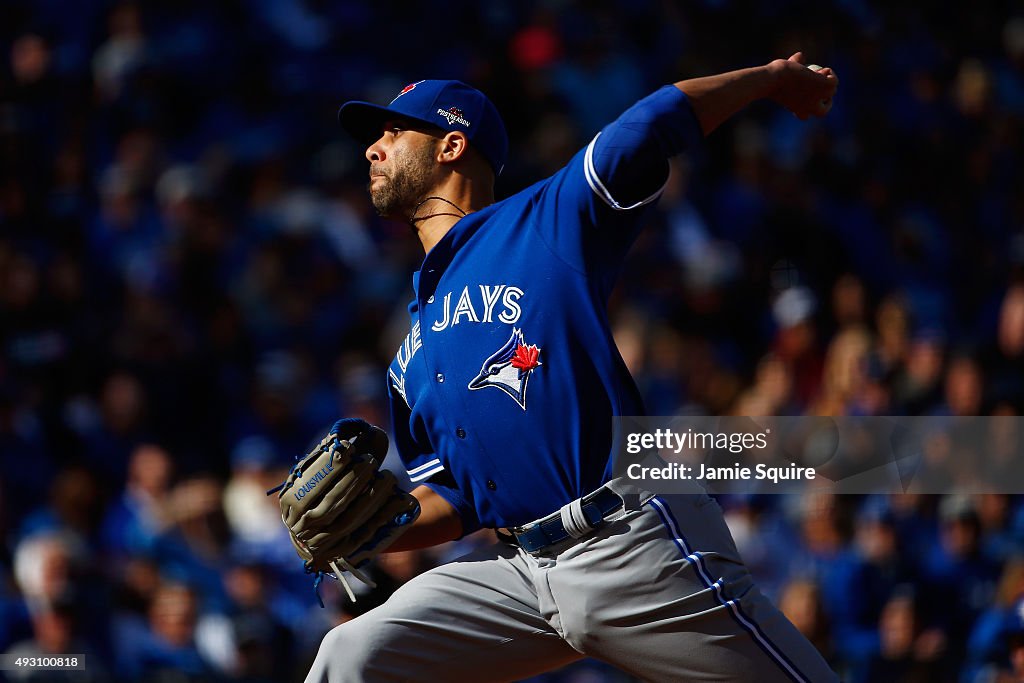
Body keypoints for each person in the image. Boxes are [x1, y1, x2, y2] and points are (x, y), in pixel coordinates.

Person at [307, 53, 840, 682]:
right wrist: (369, 531)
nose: (373, 148)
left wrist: (771, 78)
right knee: (350, 657)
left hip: (629, 542)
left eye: (393, 132)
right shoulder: (410, 349)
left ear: (453, 144)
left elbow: (648, 125)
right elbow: (458, 496)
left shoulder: (543, 222)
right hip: (522, 580)